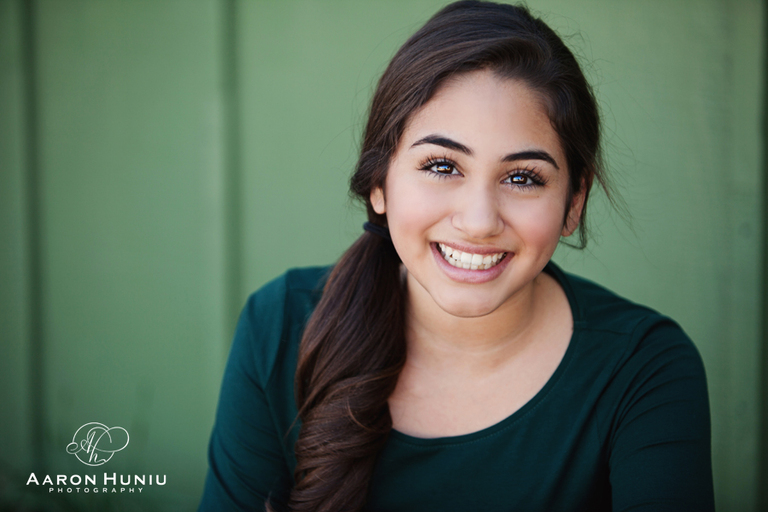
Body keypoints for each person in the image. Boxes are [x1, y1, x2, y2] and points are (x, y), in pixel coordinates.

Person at [198, 1, 714, 511]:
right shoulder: (280, 328)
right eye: (442, 166)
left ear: (573, 203)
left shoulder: (645, 369)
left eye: (522, 177)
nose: (479, 220)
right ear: (379, 183)